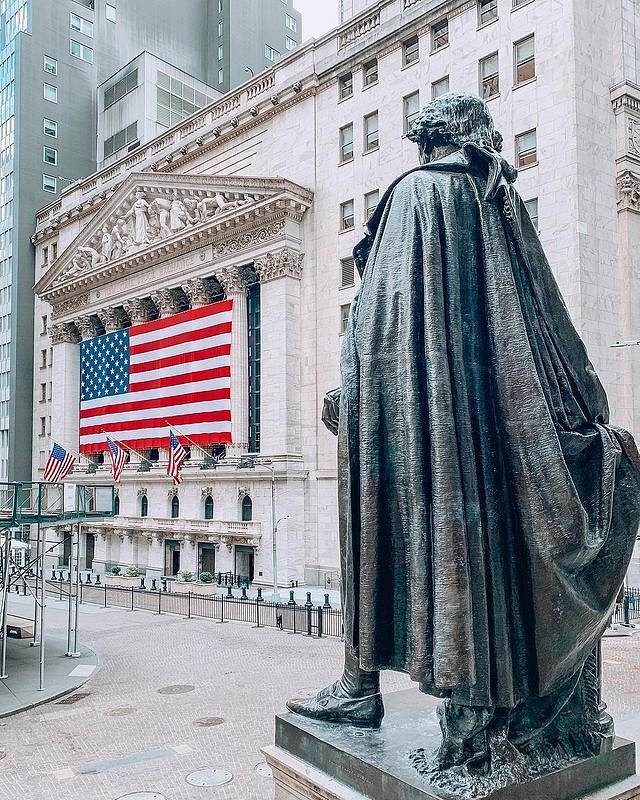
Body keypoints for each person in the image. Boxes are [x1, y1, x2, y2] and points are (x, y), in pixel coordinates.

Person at [287, 94, 640, 792]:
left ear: (427, 140)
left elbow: (380, 327)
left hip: (426, 430)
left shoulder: (418, 196)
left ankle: (362, 686)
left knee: (384, 536)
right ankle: (404, 693)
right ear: (475, 139)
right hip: (482, 428)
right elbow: (542, 322)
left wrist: (355, 400)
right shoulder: (492, 199)